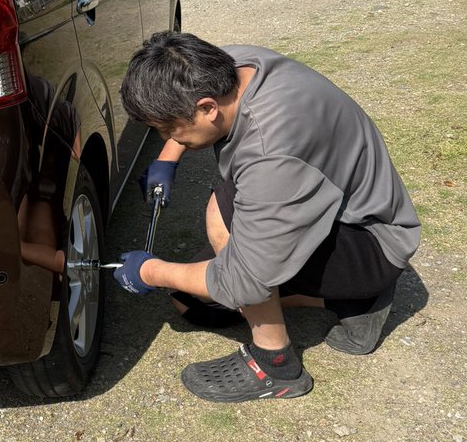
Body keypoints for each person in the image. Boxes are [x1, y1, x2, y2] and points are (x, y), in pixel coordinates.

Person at [114, 32, 421, 403]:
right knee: (190, 303)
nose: (168, 137)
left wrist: (150, 271)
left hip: (371, 242)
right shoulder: (232, 65)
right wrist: (166, 158)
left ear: (208, 108)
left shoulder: (271, 153)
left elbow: (244, 279)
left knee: (224, 222)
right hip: (340, 212)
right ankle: (357, 303)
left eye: (168, 130)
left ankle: (275, 365)